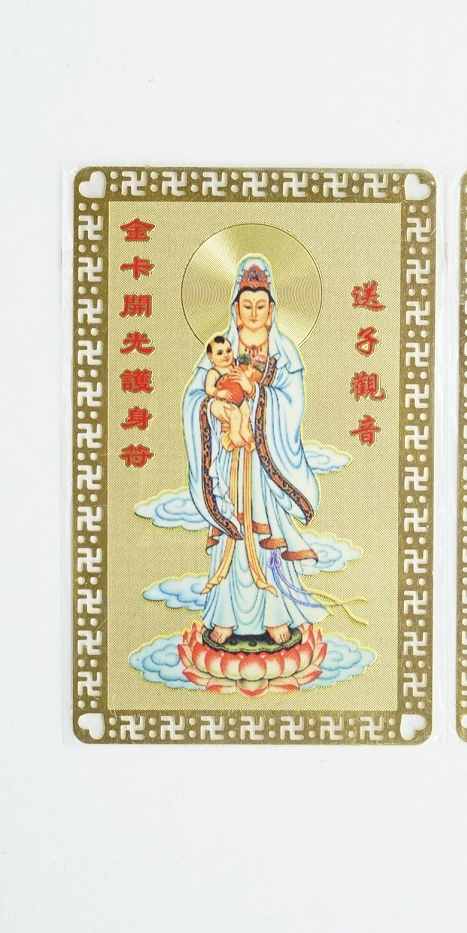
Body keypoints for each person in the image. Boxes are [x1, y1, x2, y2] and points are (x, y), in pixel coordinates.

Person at [180, 255, 327, 647]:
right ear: (235, 308)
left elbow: (292, 404)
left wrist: (258, 392)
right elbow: (193, 397)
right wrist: (212, 407)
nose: (254, 312)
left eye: (261, 305)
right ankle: (224, 616)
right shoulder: (220, 350)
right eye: (247, 305)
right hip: (229, 457)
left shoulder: (284, 352)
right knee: (231, 529)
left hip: (263, 462)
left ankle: (275, 614)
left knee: (265, 531)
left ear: (272, 308)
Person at [201, 334, 257, 451]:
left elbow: (242, 377)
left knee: (246, 411)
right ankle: (234, 434)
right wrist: (218, 393)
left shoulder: (234, 367)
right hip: (224, 402)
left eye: (228, 351)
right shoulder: (214, 372)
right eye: (220, 353)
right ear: (211, 357)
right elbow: (208, 388)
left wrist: (249, 372)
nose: (226, 355)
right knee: (235, 413)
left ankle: (244, 429)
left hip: (239, 399)